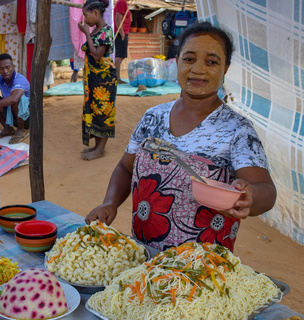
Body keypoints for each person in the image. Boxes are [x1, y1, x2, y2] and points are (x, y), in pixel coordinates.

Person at [85, 22, 277, 252]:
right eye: (189, 59)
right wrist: (111, 202)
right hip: (145, 259)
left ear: (225, 69)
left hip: (202, 270)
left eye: (212, 61)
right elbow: (126, 169)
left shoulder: (238, 130)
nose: (198, 69)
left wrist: (251, 196)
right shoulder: (153, 117)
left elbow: (266, 189)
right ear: (176, 62)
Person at [78, 0, 117, 161]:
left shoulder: (106, 31)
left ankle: (101, 149)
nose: (84, 19)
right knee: (94, 110)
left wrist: (86, 33)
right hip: (94, 78)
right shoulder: (96, 31)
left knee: (103, 112)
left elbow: (97, 54)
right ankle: (97, 146)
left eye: (86, 15)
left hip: (104, 79)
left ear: (95, 12)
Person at [114, 0, 131, 84]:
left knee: (120, 55)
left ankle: (117, 77)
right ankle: (116, 78)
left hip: (122, 32)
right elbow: (118, 19)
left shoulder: (122, 2)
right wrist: (122, 34)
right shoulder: (122, 2)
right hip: (121, 33)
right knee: (120, 56)